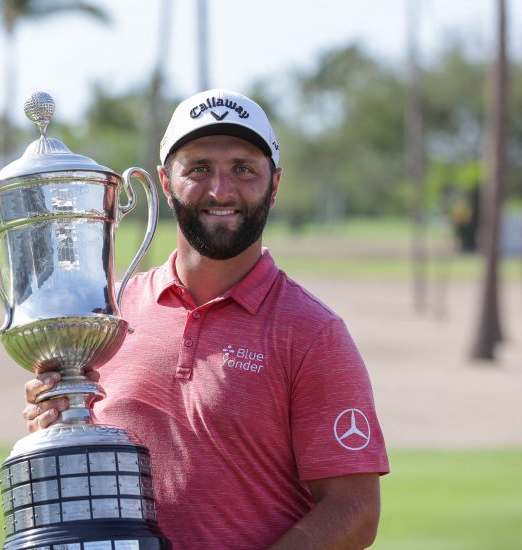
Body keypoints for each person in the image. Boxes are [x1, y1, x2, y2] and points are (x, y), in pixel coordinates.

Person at [23, 88, 390, 549]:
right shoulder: (106, 314)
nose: (221, 189)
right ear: (165, 181)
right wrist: (56, 422)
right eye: (199, 168)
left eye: (243, 169)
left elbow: (354, 512)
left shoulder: (314, 334)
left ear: (274, 185)